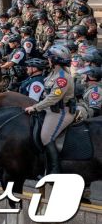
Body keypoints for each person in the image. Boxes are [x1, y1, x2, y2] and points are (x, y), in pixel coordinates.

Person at [25, 45, 75, 174]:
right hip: (50, 109)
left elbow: (53, 98)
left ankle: (54, 169)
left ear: (54, 60)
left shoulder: (62, 77)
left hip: (61, 112)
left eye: (49, 58)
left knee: (46, 137)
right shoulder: (55, 72)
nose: (48, 60)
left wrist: (35, 107)